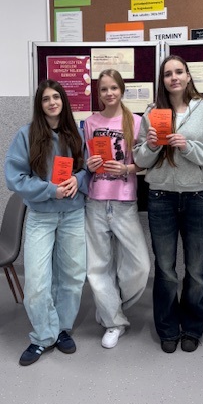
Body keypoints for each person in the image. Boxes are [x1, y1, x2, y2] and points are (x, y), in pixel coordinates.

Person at [133, 55, 203, 354]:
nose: (173, 77)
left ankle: (193, 328)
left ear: (188, 76)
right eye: (168, 74)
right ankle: (168, 328)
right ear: (162, 80)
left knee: (196, 270)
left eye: (178, 72)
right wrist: (151, 146)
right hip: (161, 198)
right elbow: (139, 159)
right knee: (165, 269)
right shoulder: (152, 113)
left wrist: (187, 146)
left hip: (197, 197)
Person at [4, 79, 89, 366]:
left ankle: (62, 329)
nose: (52, 102)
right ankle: (42, 335)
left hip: (73, 214)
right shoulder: (26, 135)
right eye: (46, 99)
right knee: (37, 283)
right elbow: (14, 178)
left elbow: (88, 169)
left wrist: (78, 180)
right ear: (39, 105)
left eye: (56, 97)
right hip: (41, 216)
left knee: (73, 278)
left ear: (63, 101)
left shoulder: (76, 133)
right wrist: (50, 190)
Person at [84, 69, 150, 349]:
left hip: (124, 202)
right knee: (98, 266)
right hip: (95, 202)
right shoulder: (90, 122)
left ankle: (112, 304)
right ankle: (114, 321)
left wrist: (126, 169)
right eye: (103, 89)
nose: (109, 93)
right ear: (98, 94)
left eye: (113, 88)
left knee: (140, 266)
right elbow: (85, 162)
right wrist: (88, 165)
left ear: (122, 90)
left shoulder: (136, 122)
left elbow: (145, 163)